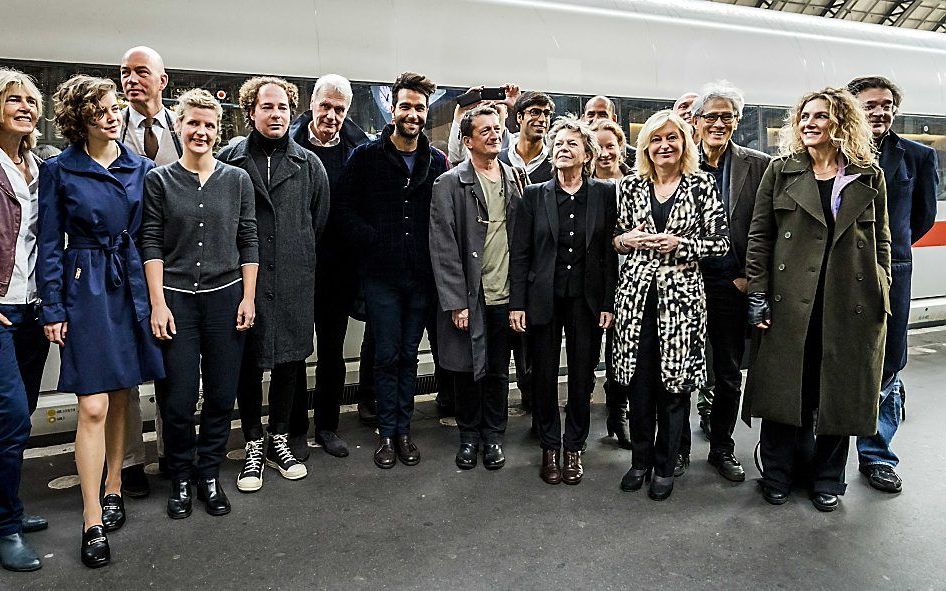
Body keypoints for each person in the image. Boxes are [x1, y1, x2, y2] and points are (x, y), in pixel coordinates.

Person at [743, 87, 890, 512]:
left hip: (849, 302)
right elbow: (759, 237)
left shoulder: (867, 173)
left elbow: (882, 239)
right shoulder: (781, 171)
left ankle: (828, 478)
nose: (808, 123)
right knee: (785, 390)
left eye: (820, 116)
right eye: (804, 116)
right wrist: (758, 293)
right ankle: (777, 475)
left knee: (837, 393)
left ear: (840, 122)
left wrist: (883, 289)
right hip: (791, 301)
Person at [39, 75, 165, 567]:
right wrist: (53, 306)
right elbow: (50, 243)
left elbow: (150, 234)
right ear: (80, 119)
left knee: (120, 395)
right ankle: (92, 516)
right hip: (85, 286)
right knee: (91, 404)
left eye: (115, 108)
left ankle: (114, 485)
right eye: (101, 111)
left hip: (128, 281)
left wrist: (156, 299)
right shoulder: (60, 170)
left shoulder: (143, 167)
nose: (113, 116)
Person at [141, 89, 258, 518]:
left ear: (218, 129)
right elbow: (150, 239)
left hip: (226, 299)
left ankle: (208, 473)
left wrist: (248, 297)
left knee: (222, 394)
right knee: (178, 397)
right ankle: (181, 476)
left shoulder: (236, 179)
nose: (202, 131)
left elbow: (248, 239)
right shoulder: (159, 180)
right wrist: (158, 303)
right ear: (178, 125)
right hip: (176, 301)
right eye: (193, 123)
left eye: (209, 125)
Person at [611, 109, 729, 501]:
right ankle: (640, 461)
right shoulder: (629, 185)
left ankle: (666, 466)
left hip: (680, 301)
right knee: (639, 386)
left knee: (673, 388)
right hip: (636, 299)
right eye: (656, 139)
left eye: (672, 138)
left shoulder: (701, 185)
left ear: (684, 144)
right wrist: (627, 241)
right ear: (646, 146)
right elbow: (616, 237)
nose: (664, 146)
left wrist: (683, 245)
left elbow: (721, 242)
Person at [218, 77, 329, 492]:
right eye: (267, 107)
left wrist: (292, 254)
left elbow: (317, 220)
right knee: (248, 361)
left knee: (289, 360)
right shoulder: (230, 160)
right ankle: (251, 441)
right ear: (250, 112)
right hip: (243, 281)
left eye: (283, 107)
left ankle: (279, 437)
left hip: (294, 278)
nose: (276, 114)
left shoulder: (309, 165)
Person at [334, 72, 449, 469]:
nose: (413, 114)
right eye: (406, 106)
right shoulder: (365, 156)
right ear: (393, 110)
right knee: (386, 354)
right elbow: (344, 211)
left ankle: (403, 430)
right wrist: (373, 241)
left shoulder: (436, 161)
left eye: (419, 107)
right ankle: (386, 432)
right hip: (380, 278)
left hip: (420, 279)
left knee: (408, 356)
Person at [509, 115, 617, 486]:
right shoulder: (534, 195)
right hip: (543, 298)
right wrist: (517, 304)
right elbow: (520, 253)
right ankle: (549, 446)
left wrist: (608, 303)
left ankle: (574, 446)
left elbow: (608, 254)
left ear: (587, 153)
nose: (563, 149)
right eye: (558, 144)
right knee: (542, 375)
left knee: (582, 375)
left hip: (586, 301)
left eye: (571, 144)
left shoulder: (604, 195)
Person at [847, 76, 939, 494]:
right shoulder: (834, 154)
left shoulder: (917, 156)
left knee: (888, 362)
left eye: (886, 105)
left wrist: (889, 254)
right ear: (851, 108)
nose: (880, 112)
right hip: (836, 271)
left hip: (892, 272)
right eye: (870, 105)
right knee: (831, 356)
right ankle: (819, 453)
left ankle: (877, 455)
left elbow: (919, 219)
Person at [678, 82, 771, 482]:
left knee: (730, 372)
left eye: (727, 116)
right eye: (711, 116)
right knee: (679, 368)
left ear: (737, 121)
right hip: (681, 282)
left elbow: (767, 228)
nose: (719, 123)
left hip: (730, 285)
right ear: (695, 122)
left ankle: (722, 448)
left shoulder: (759, 164)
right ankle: (677, 448)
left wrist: (749, 279)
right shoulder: (676, 160)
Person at [430, 104, 524, 470]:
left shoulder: (515, 178)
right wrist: (456, 302)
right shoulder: (449, 183)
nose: (493, 134)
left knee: (500, 369)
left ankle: (494, 437)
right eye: (483, 130)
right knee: (467, 370)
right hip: (470, 295)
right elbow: (443, 246)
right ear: (467, 141)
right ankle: (469, 437)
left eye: (496, 128)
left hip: (505, 293)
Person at [288, 74, 370, 457]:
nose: (332, 115)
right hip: (295, 268)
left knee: (333, 353)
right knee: (294, 354)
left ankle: (327, 427)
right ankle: (294, 431)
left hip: (338, 269)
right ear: (311, 105)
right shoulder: (288, 144)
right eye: (326, 106)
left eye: (340, 109)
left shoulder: (359, 150)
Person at [118, 45, 183, 496]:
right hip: (123, 265)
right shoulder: (108, 126)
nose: (132, 79)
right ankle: (128, 462)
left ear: (163, 80)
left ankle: (173, 452)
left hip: (177, 265)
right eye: (125, 73)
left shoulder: (183, 129)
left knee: (172, 367)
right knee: (124, 369)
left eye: (142, 72)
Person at [0, 68, 49, 572]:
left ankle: (7, 507)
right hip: (0, 306)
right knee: (10, 415)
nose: (24, 106)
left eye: (31, 100)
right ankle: (7, 524)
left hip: (31, 306)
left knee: (22, 411)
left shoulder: (39, 166)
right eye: (13, 98)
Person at [588, 118, 632, 451]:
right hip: (592, 282)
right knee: (587, 352)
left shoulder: (635, 183)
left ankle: (618, 414)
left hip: (627, 280)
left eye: (610, 146)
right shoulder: (583, 186)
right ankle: (581, 413)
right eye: (598, 146)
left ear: (620, 147)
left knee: (621, 354)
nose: (605, 153)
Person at [447, 84, 519, 166]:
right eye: (485, 108)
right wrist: (460, 113)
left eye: (495, 107)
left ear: (506, 112)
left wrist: (517, 107)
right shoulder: (472, 145)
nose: (492, 106)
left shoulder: (518, 143)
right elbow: (455, 158)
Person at [499, 91, 555, 184]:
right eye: (535, 112)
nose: (542, 119)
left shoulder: (554, 162)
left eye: (546, 113)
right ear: (519, 117)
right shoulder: (499, 159)